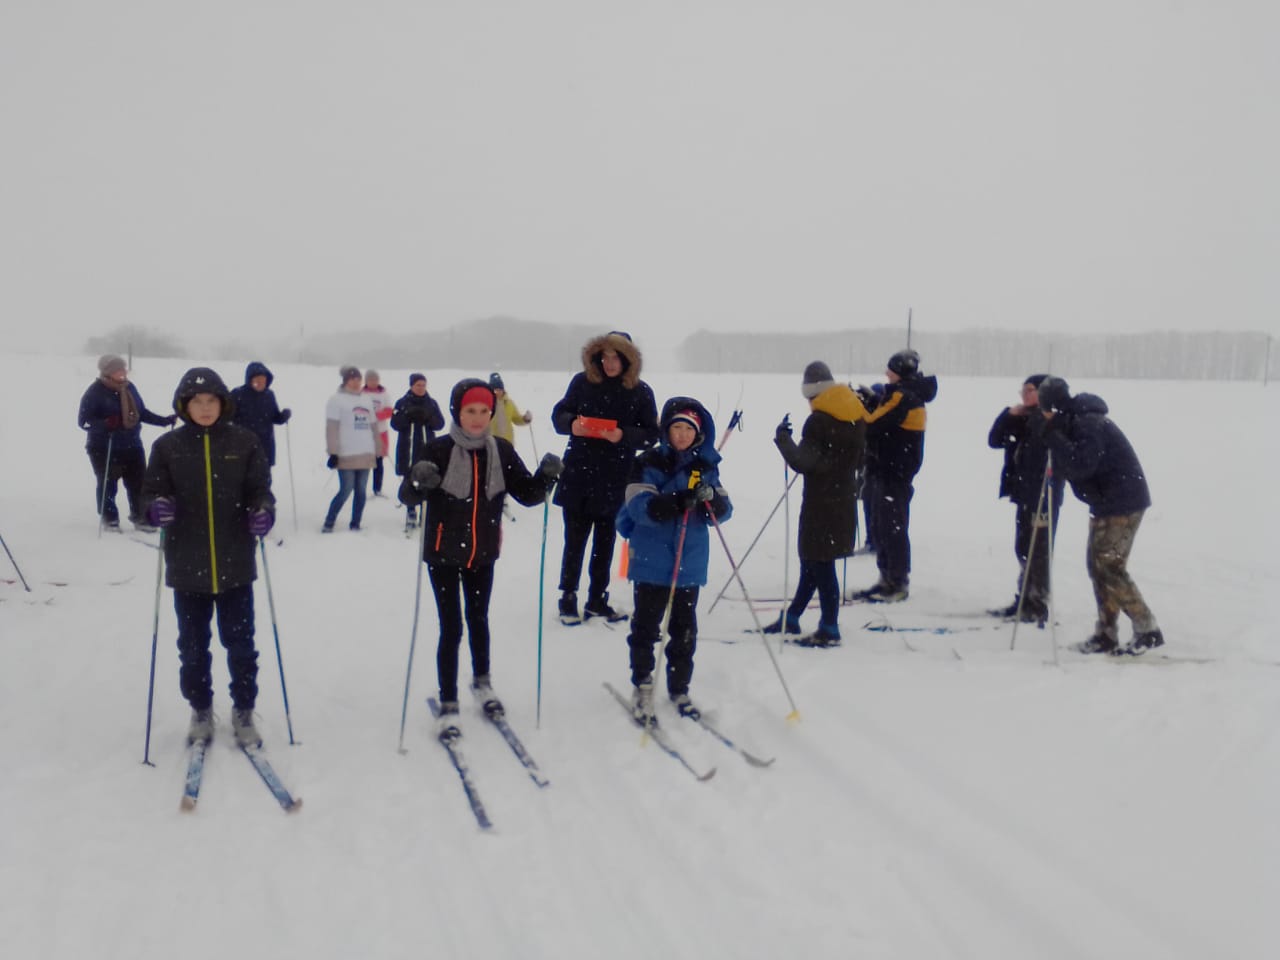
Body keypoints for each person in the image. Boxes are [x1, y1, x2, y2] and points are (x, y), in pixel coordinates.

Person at [398, 378, 563, 732]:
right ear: (457, 412)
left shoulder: (501, 450)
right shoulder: (438, 449)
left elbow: (527, 494)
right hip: (442, 553)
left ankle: (482, 683)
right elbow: (408, 497)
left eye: (484, 411)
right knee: (451, 626)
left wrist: (546, 478)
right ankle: (448, 700)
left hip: (483, 551)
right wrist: (417, 481)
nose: (477, 418)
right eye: (470, 411)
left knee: (478, 619)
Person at [140, 367, 276, 746]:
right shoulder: (168, 447)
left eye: (211, 400)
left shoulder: (244, 442)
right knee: (193, 648)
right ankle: (200, 708)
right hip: (187, 566)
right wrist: (155, 508)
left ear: (222, 403)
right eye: (197, 401)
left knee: (241, 645)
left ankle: (243, 708)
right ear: (184, 405)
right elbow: (149, 492)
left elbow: (260, 490)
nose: (204, 408)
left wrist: (263, 511)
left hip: (236, 565)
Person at [615, 398, 732, 724]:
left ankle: (680, 688)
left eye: (688, 429)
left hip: (689, 562)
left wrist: (711, 501)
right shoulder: (648, 461)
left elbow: (724, 510)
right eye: (676, 427)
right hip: (651, 560)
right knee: (646, 628)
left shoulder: (705, 467)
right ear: (666, 430)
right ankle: (642, 683)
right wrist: (676, 501)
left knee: (684, 632)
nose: (682, 434)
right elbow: (639, 506)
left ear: (698, 433)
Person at [1033, 377, 1163, 655]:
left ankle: (1147, 629)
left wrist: (1053, 437)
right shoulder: (1073, 421)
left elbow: (1082, 465)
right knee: (1097, 567)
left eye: (1044, 410)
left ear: (1052, 408)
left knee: (1108, 567)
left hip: (1123, 501)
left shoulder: (1087, 423)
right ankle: (1106, 633)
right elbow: (1072, 464)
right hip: (1107, 502)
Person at [551, 331, 659, 625]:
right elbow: (559, 415)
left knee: (605, 543)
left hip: (615, 476)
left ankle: (597, 599)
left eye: (616, 358)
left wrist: (623, 434)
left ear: (628, 360)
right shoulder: (581, 383)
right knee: (574, 541)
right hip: (578, 474)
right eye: (605, 357)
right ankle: (568, 598)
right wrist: (572, 425)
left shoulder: (641, 391)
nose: (609, 363)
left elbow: (652, 434)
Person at [769, 361, 866, 647]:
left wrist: (783, 439)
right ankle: (793, 616)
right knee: (813, 562)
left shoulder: (819, 420)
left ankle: (829, 628)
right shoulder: (856, 413)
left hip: (821, 502)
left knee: (820, 565)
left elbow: (803, 462)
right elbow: (858, 458)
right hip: (844, 498)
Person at [850, 349, 938, 602]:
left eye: (890, 369)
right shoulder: (901, 394)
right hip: (886, 469)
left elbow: (873, 425)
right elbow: (884, 419)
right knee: (881, 526)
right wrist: (872, 400)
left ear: (899, 371)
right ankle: (886, 578)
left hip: (895, 472)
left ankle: (897, 582)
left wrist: (857, 404)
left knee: (892, 528)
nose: (886, 373)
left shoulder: (904, 396)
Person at [987, 374, 1065, 622]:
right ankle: (1024, 599)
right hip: (1023, 492)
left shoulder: (1051, 419)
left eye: (1029, 390)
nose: (1024, 395)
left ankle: (1036, 604)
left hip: (1043, 493)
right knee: (1023, 547)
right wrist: (1009, 415)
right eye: (1022, 390)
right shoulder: (1023, 418)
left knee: (1038, 549)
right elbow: (994, 440)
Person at [77, 354, 176, 532]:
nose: (122, 372)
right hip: (104, 447)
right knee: (108, 485)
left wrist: (163, 421)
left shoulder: (129, 387)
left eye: (123, 368)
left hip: (132, 445)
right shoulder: (95, 392)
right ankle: (110, 519)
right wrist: (106, 424)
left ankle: (140, 516)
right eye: (117, 369)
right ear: (107, 372)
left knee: (139, 483)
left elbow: (141, 412)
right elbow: (84, 421)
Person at [323, 365, 378, 532]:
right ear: (346, 381)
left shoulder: (366, 400)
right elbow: (332, 429)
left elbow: (373, 426)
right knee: (346, 490)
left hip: (365, 453)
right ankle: (329, 521)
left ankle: (355, 523)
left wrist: (379, 446)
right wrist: (333, 452)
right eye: (352, 379)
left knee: (361, 491)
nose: (356, 383)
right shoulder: (336, 400)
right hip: (346, 454)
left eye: (358, 379)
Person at [390, 372, 446, 534]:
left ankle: (425, 512)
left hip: (427, 450)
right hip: (408, 450)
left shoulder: (431, 403)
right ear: (411, 386)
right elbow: (395, 423)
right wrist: (408, 415)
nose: (421, 388)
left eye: (423, 385)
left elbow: (440, 424)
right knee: (410, 481)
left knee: (427, 480)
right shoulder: (402, 403)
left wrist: (428, 417)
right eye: (418, 385)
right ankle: (411, 511)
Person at [228, 361, 291, 472]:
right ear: (249, 380)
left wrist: (283, 416)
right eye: (257, 380)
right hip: (244, 446)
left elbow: (275, 417)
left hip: (265, 447)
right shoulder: (238, 394)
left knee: (264, 478)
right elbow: (227, 417)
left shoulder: (269, 395)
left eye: (263, 380)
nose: (260, 383)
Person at [362, 369, 393, 496]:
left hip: (380, 432)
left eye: (375, 380)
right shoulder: (360, 394)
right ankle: (360, 489)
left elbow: (389, 411)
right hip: (363, 432)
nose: (373, 382)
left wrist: (376, 415)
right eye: (371, 380)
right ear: (366, 381)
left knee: (378, 462)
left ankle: (377, 489)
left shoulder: (384, 394)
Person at [487, 372, 533, 444]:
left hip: (507, 443)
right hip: (491, 443)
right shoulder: (486, 404)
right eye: (494, 390)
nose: (497, 392)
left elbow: (516, 419)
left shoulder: (509, 403)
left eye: (499, 389)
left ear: (503, 390)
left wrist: (525, 419)